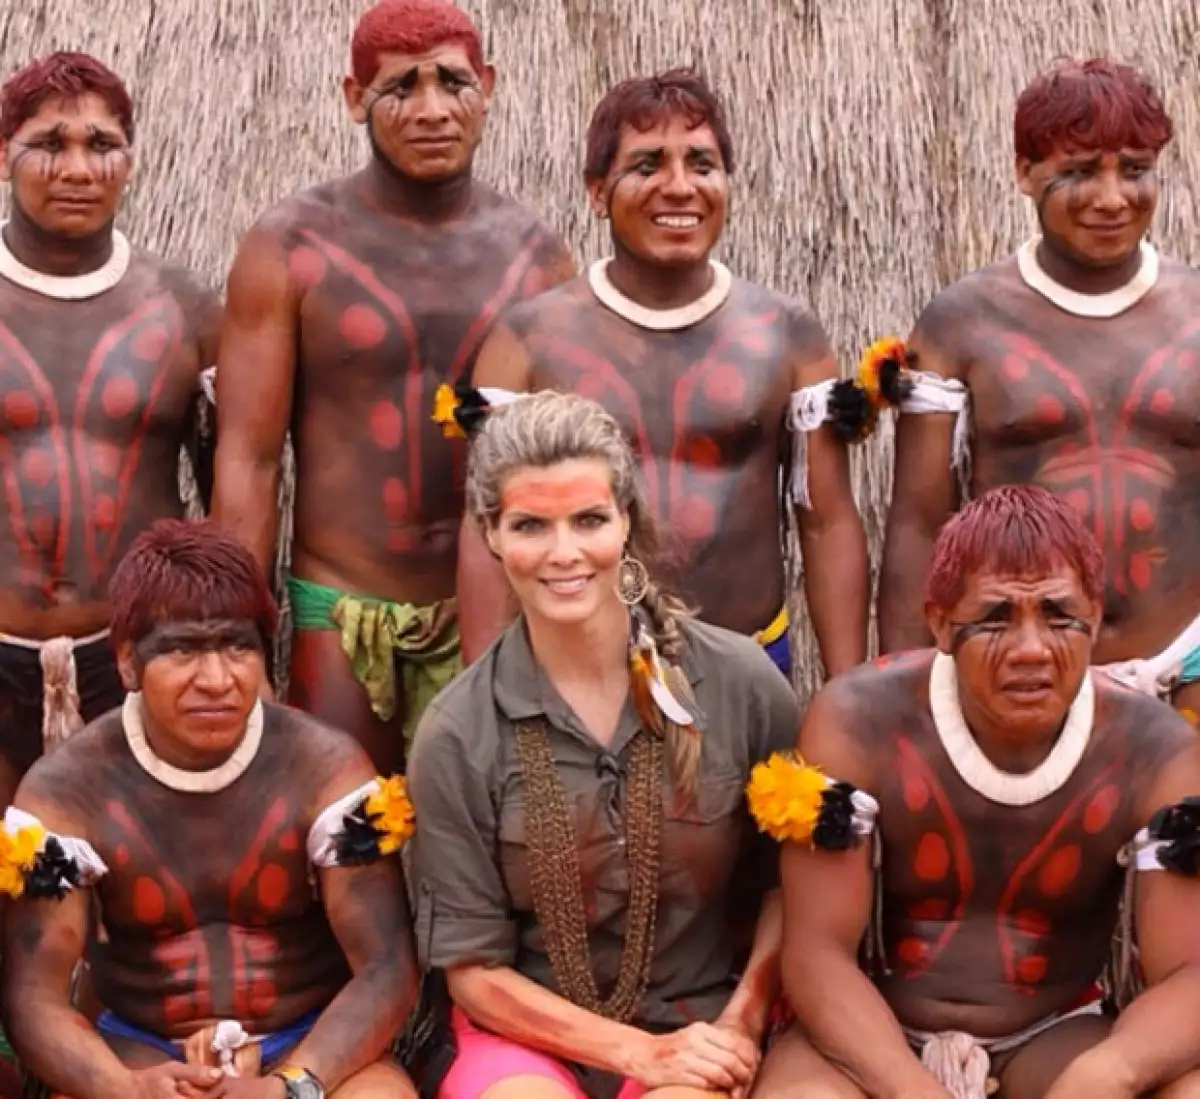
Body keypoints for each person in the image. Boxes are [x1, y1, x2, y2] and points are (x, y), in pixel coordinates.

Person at [211, 0, 575, 775]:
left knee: (488, 850)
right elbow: (247, 459)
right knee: (341, 835)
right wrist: (233, 633)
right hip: (340, 608)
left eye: (452, 82)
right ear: (354, 99)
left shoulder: (536, 256)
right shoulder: (291, 247)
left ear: (488, 86)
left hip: (494, 610)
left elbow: (564, 463)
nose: (431, 109)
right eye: (400, 88)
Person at [408, 391, 797, 1099]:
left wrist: (743, 1021)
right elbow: (474, 971)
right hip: (524, 1038)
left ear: (626, 521)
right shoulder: (457, 731)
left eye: (588, 519)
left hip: (700, 1022)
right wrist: (637, 1053)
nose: (564, 553)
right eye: (530, 525)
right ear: (490, 533)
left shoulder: (739, 684)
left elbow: (790, 887)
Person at [752, 484, 1200, 1099]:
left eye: (1059, 616)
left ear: (1095, 617)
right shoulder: (857, 720)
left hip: (1055, 1035)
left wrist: (1106, 1075)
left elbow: (1190, 974)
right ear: (939, 622)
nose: (1030, 650)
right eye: (994, 618)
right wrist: (913, 1090)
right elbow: (816, 956)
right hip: (872, 1033)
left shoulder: (1156, 752)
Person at [454, 69, 868, 680]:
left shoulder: (786, 334)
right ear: (597, 191)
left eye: (701, 164)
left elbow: (827, 520)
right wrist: (488, 690)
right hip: (577, 673)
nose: (679, 187)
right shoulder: (528, 340)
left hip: (748, 667)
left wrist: (846, 691)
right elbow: (485, 525)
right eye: (647, 166)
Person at [1, 518, 418, 1099]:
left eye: (236, 646)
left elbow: (387, 968)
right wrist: (129, 1088)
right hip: (139, 1051)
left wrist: (292, 1085)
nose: (217, 679)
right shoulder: (68, 790)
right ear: (127, 663)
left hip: (311, 1044)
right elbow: (32, 996)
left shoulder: (323, 767)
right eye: (183, 650)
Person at [878, 57, 1200, 720]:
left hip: (1190, 666)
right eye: (1078, 172)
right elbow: (916, 520)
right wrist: (902, 688)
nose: (1112, 198)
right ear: (1024, 173)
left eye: (1135, 170)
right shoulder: (962, 322)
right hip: (1020, 681)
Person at [0, 51, 219, 809]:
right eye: (49, 144)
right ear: (4, 154)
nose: (78, 168)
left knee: (119, 893)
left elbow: (235, 488)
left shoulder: (183, 307)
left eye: (102, 144)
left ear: (130, 157)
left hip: (132, 654)